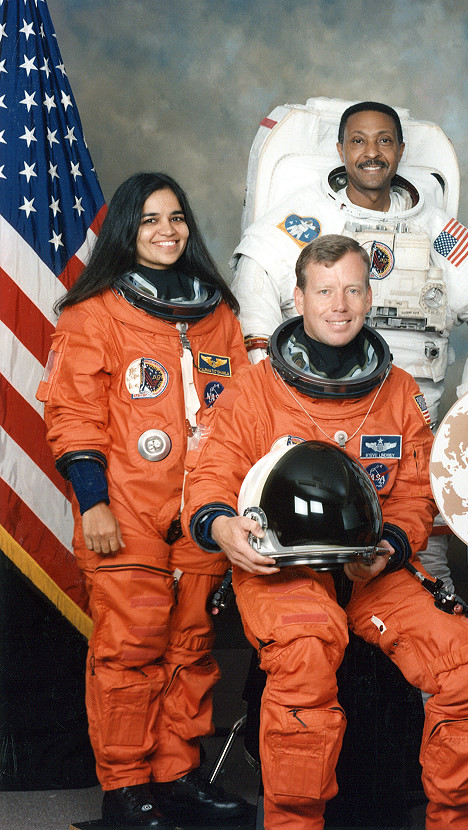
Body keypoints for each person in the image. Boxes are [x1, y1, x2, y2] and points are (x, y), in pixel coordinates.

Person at [182, 234, 468, 830]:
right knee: (306, 656)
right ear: (298, 298)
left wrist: (393, 545)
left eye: (353, 289)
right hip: (282, 568)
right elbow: (210, 475)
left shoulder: (398, 391)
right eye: (325, 290)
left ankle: (456, 822)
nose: (340, 304)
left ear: (369, 295)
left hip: (372, 566)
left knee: (467, 665)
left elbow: (414, 493)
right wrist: (220, 525)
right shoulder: (255, 389)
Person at [232, 99, 468, 589]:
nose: (372, 153)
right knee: (303, 601)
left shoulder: (436, 231)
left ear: (400, 151)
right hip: (307, 440)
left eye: (385, 141)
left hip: (408, 434)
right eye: (359, 141)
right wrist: (273, 402)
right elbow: (254, 290)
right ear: (341, 150)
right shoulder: (301, 219)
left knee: (419, 578)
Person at [36, 173, 252, 826]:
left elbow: (243, 409)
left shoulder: (215, 311)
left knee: (190, 648)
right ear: (127, 231)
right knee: (130, 651)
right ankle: (126, 787)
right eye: (150, 219)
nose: (167, 230)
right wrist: (93, 502)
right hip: (126, 508)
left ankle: (176, 774)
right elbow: (74, 413)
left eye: (177, 217)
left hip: (204, 510)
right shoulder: (93, 313)